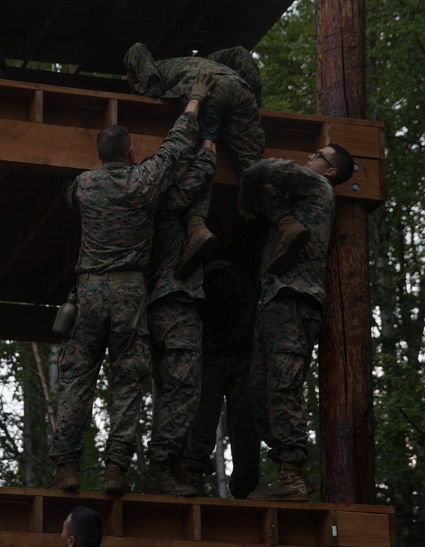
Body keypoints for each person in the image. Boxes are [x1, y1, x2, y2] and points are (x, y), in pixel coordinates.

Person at [48, 72, 216, 494]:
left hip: (87, 291)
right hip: (128, 293)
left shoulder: (84, 186)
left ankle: (66, 468)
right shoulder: (144, 181)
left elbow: (67, 195)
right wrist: (194, 100)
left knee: (76, 381)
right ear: (130, 150)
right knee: (126, 381)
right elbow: (176, 148)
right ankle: (115, 470)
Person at [239, 146, 356, 501]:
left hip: (295, 300)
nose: (310, 157)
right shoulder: (302, 198)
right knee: (256, 393)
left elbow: (269, 167)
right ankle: (288, 466)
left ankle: (292, 474)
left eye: (318, 154)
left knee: (283, 386)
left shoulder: (319, 187)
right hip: (275, 301)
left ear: (330, 171)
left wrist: (246, 187)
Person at [124, 43, 268, 274]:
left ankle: (197, 225)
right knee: (250, 163)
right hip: (241, 90)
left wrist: (147, 90)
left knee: (196, 155)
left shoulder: (155, 69)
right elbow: (241, 52)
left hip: (208, 91)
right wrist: (255, 101)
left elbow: (137, 49)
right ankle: (285, 220)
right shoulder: (211, 60)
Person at [144, 113, 220, 496]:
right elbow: (192, 182)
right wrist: (208, 141)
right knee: (184, 387)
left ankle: (160, 469)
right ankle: (160, 469)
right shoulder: (162, 199)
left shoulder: (137, 194)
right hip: (174, 300)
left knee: (166, 385)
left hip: (152, 303)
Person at [182, 223, 264, 499]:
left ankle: (245, 487)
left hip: (243, 351)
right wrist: (202, 277)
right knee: (202, 416)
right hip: (212, 353)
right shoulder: (198, 265)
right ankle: (194, 476)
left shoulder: (247, 252)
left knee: (245, 421)